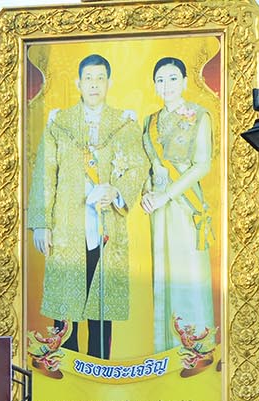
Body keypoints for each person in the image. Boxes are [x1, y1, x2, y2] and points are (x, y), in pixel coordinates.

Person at [27, 53, 147, 360]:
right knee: (66, 303)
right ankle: (66, 370)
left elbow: (138, 166)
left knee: (101, 304)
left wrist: (117, 191)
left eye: (100, 78)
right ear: (78, 83)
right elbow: (45, 172)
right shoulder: (59, 123)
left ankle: (99, 371)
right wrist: (42, 223)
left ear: (109, 83)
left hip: (106, 226)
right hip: (67, 226)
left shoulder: (124, 123)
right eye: (89, 78)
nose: (94, 84)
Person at [141, 56, 216, 366]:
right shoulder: (150, 121)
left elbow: (203, 164)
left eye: (173, 78)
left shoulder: (200, 116)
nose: (166, 85)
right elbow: (147, 164)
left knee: (189, 275)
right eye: (160, 79)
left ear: (185, 82)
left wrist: (166, 195)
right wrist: (147, 193)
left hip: (185, 204)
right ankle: (166, 352)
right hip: (157, 209)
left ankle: (195, 350)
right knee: (163, 275)